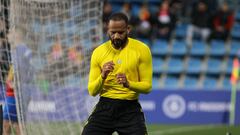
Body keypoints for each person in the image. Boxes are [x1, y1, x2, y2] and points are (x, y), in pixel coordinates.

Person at [82, 12, 152, 135]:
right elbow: (92, 91)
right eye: (112, 32)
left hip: (130, 109)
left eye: (120, 32)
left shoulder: (142, 50)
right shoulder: (98, 52)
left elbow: (147, 87)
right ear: (107, 30)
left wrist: (129, 84)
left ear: (128, 29)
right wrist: (102, 75)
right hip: (105, 107)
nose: (116, 36)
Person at [3, 65, 21, 135]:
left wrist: (13, 85)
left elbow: (9, 82)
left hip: (12, 98)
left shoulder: (15, 65)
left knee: (6, 124)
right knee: (15, 124)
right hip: (14, 97)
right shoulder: (14, 65)